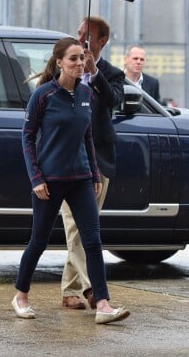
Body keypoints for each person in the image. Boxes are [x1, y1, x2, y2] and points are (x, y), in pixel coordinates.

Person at [13, 37, 130, 325]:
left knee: (93, 241)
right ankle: (21, 296)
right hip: (49, 181)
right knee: (38, 241)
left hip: (80, 180)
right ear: (59, 62)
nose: (80, 63)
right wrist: (35, 178)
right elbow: (27, 138)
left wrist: (93, 173)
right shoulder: (43, 95)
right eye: (74, 59)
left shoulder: (86, 93)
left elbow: (87, 136)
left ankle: (103, 304)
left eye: (82, 58)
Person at [59, 16, 125, 311]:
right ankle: (93, 290)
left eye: (87, 37)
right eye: (79, 33)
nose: (81, 39)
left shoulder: (111, 73)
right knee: (76, 225)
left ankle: (69, 290)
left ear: (101, 42)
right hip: (65, 159)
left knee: (86, 227)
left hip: (97, 161)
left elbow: (114, 102)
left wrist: (94, 74)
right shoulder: (66, 68)